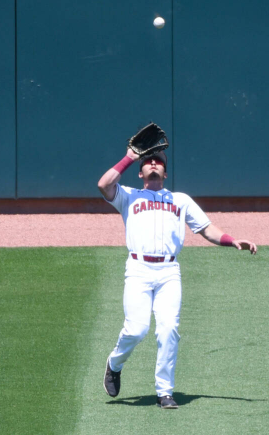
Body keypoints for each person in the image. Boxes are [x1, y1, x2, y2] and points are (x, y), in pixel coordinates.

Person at [97, 146, 258, 409]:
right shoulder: (128, 196)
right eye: (148, 161)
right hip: (138, 270)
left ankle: (164, 392)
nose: (153, 163)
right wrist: (130, 157)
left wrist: (231, 240)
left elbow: (206, 228)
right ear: (140, 173)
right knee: (137, 330)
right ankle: (115, 364)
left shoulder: (180, 200)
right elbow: (104, 185)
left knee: (168, 329)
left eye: (158, 162)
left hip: (169, 271)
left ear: (166, 173)